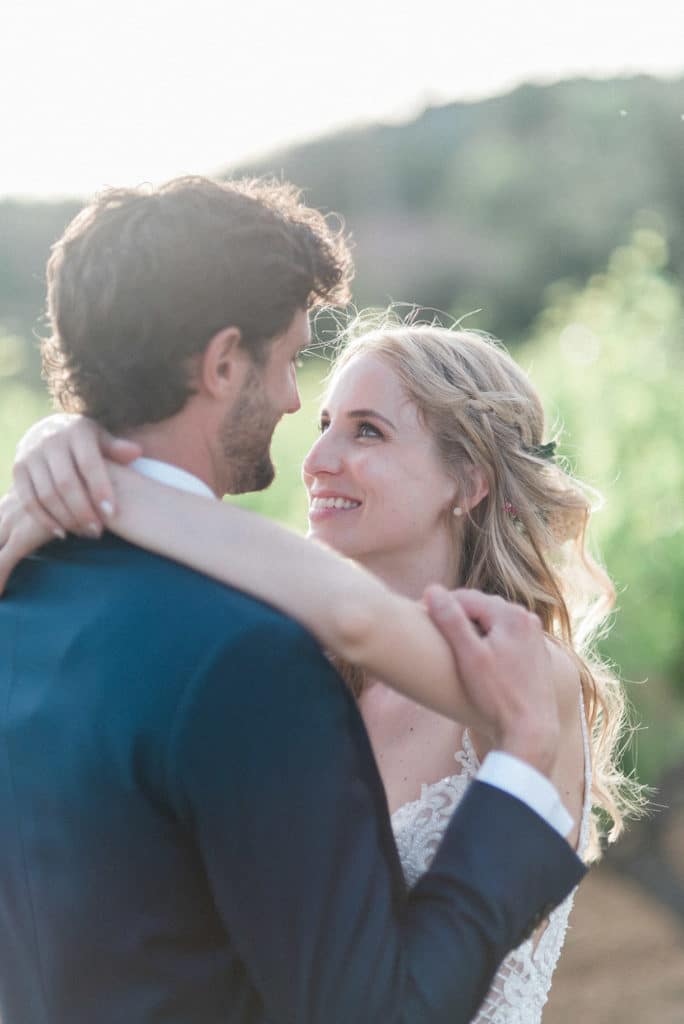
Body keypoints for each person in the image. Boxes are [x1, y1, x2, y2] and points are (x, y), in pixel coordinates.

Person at [0, 176, 586, 1024]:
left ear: (470, 481)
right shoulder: (273, 657)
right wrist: (72, 450)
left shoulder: (524, 678)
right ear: (223, 362)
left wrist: (96, 470)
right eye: (315, 413)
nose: (310, 448)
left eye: (368, 431)